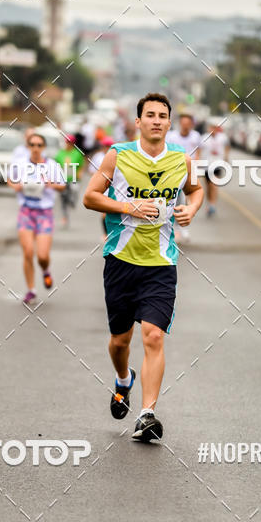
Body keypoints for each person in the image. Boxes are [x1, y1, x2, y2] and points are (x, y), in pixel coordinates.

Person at [83, 92, 204, 442]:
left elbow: (195, 191)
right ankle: (123, 379)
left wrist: (191, 209)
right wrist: (128, 207)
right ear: (138, 121)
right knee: (120, 341)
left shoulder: (182, 159)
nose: (156, 120)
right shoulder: (118, 155)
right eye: (149, 115)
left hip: (161, 264)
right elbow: (90, 197)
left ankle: (147, 413)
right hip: (120, 261)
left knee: (153, 336)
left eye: (162, 116)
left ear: (169, 123)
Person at [7, 133, 66, 302]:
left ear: (44, 147)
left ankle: (46, 270)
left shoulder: (52, 165)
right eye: (32, 144)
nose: (35, 148)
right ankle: (31, 289)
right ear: (28, 147)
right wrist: (16, 186)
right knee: (27, 252)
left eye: (39, 145)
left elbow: (62, 186)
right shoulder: (21, 164)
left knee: (42, 255)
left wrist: (50, 184)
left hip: (44, 213)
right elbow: (10, 180)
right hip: (26, 211)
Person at [166, 113, 202, 242]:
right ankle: (172, 228)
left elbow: (198, 151)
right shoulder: (171, 136)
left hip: (189, 171)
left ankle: (183, 227)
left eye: (188, 123)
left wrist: (196, 163)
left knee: (187, 199)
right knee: (174, 199)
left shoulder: (196, 136)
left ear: (191, 124)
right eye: (183, 123)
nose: (185, 125)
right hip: (174, 172)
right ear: (180, 123)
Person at [54, 135, 85, 228]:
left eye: (70, 143)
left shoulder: (77, 153)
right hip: (63, 179)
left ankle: (72, 201)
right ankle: (64, 217)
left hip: (74, 178)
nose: (68, 144)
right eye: (67, 142)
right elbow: (56, 165)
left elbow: (82, 165)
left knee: (74, 191)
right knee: (63, 198)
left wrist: (80, 173)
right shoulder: (60, 153)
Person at [200, 122, 229, 217]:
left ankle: (212, 204)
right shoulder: (204, 137)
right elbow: (199, 150)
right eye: (211, 128)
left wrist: (226, 157)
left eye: (215, 128)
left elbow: (227, 147)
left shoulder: (222, 137)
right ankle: (209, 203)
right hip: (206, 165)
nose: (213, 130)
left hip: (217, 164)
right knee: (208, 187)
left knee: (214, 185)